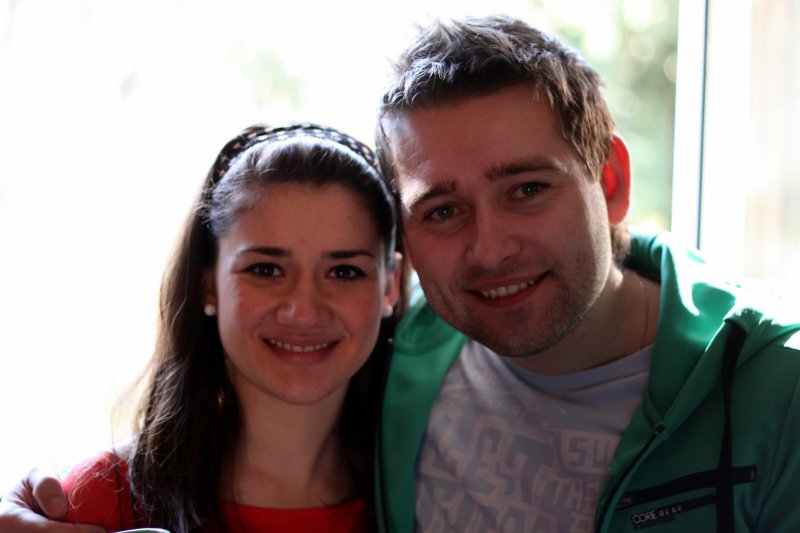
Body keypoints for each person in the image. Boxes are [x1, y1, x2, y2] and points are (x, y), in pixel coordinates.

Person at [4, 14, 800, 533]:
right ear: (407, 255)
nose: (490, 248)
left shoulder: (777, 392)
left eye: (527, 189)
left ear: (612, 181)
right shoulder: (403, 361)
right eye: (443, 209)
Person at [0, 122, 404, 533]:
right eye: (265, 269)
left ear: (391, 285)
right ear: (208, 284)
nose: (303, 313)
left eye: (344, 272)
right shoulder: (101, 501)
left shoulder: (429, 493)